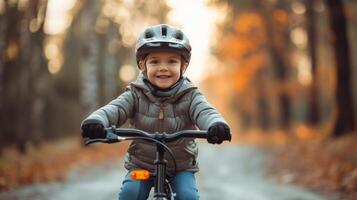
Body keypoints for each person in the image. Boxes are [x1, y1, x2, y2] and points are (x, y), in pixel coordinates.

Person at [81, 24, 231, 200]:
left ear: (184, 65)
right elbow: (115, 108)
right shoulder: (135, 94)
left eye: (172, 61)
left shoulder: (191, 95)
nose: (163, 68)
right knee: (130, 193)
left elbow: (205, 112)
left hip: (180, 168)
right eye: (155, 61)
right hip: (142, 166)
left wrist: (216, 125)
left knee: (187, 196)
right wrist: (97, 121)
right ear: (142, 65)